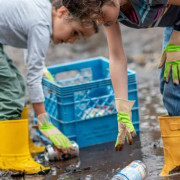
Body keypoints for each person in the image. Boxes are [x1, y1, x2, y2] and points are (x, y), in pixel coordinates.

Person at [62, 0, 180, 176]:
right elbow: (117, 57)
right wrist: (123, 110)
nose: (100, 22)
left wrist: (177, 39)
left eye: (100, 15)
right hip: (175, 25)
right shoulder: (111, 13)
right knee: (171, 86)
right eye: (95, 20)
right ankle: (177, 161)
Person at [0, 0, 97, 175]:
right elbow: (33, 78)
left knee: (16, 83)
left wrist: (38, 66)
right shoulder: (42, 26)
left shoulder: (42, 10)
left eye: (78, 38)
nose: (71, 40)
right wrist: (44, 121)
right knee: (12, 88)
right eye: (75, 32)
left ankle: (21, 145)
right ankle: (11, 156)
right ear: (61, 11)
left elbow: (27, 36)